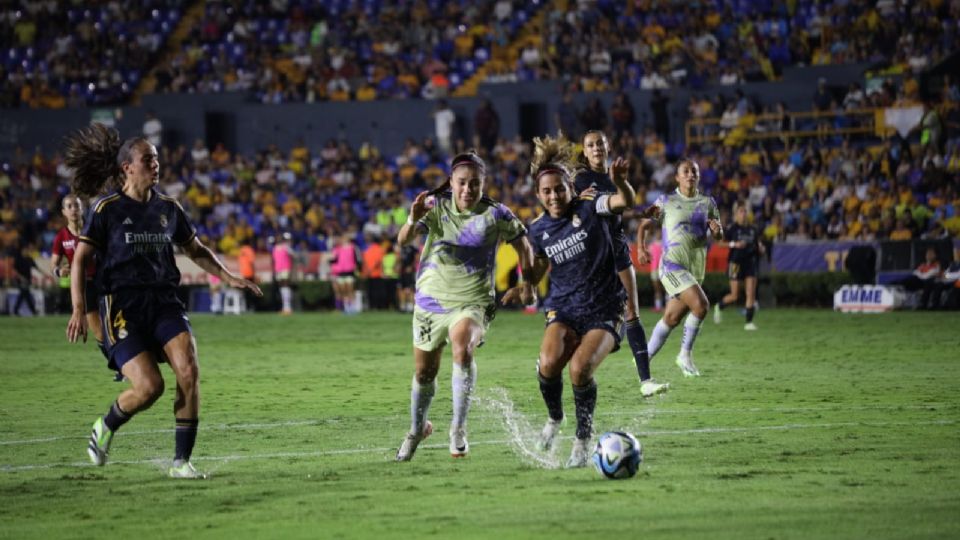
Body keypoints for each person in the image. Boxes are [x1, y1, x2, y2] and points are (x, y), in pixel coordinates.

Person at [63, 123, 262, 478]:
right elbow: (80, 260)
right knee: (150, 387)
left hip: (165, 301)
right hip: (122, 307)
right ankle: (104, 426)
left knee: (189, 369)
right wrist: (79, 308)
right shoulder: (106, 209)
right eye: (148, 159)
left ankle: (181, 462)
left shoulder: (169, 208)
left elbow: (196, 250)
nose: (156, 165)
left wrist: (229, 276)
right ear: (128, 167)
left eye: (156, 159)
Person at [502, 134, 656, 468]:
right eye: (546, 191)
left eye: (559, 188)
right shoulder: (538, 229)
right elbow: (537, 266)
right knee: (547, 364)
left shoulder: (591, 206)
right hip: (564, 307)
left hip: (605, 306)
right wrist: (525, 286)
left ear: (570, 186)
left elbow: (622, 203)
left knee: (579, 369)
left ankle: (583, 440)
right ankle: (555, 419)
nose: (554, 196)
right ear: (538, 194)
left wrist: (621, 184)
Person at [394, 150, 534, 462]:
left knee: (462, 347)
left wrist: (528, 284)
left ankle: (458, 427)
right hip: (431, 302)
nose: (468, 190)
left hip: (473, 302)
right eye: (462, 183)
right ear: (452, 183)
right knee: (424, 373)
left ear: (484, 184)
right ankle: (417, 429)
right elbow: (403, 240)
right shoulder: (436, 207)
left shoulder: (496, 214)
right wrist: (412, 217)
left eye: (475, 184)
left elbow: (523, 244)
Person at [573, 130, 669, 398]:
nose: (596, 148)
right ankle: (560, 361)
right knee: (587, 316)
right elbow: (600, 208)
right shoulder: (581, 180)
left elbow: (617, 209)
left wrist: (639, 214)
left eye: (600, 144)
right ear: (585, 150)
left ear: (608, 145)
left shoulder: (614, 176)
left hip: (617, 249)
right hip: (593, 254)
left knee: (632, 313)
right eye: (590, 145)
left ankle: (646, 381)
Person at [637, 158, 723, 377]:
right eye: (685, 171)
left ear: (698, 175)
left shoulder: (708, 203)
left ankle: (643, 358)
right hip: (672, 266)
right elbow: (645, 224)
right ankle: (684, 355)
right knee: (702, 306)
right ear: (677, 177)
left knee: (672, 318)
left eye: (694, 171)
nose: (690, 174)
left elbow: (719, 234)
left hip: (694, 269)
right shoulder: (666, 200)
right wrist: (641, 247)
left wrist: (716, 229)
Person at [51, 194, 117, 376]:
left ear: (82, 209)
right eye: (69, 206)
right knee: (99, 331)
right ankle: (119, 366)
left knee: (117, 325)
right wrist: (59, 271)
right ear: (64, 212)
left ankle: (127, 361)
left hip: (104, 282)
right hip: (83, 286)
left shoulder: (94, 229)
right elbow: (53, 265)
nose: (73, 209)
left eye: (76, 205)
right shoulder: (61, 237)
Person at [714, 203, 765, 330]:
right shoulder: (732, 228)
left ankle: (748, 323)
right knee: (735, 295)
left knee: (750, 293)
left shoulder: (753, 229)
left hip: (750, 263)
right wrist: (734, 244)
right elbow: (720, 243)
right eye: (741, 212)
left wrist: (761, 249)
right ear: (736, 215)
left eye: (745, 211)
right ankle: (719, 306)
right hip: (735, 263)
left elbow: (758, 245)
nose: (743, 214)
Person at [329, 232, 361, 313]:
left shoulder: (353, 248)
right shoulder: (338, 249)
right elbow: (334, 260)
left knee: (350, 290)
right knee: (343, 291)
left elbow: (357, 259)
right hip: (341, 272)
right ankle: (347, 308)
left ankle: (353, 307)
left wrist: (356, 267)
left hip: (350, 271)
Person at [273, 232, 294, 314]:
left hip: (285, 268)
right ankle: (284, 307)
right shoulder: (275, 248)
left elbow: (293, 254)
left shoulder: (286, 247)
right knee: (282, 287)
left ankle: (288, 307)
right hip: (278, 269)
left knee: (285, 285)